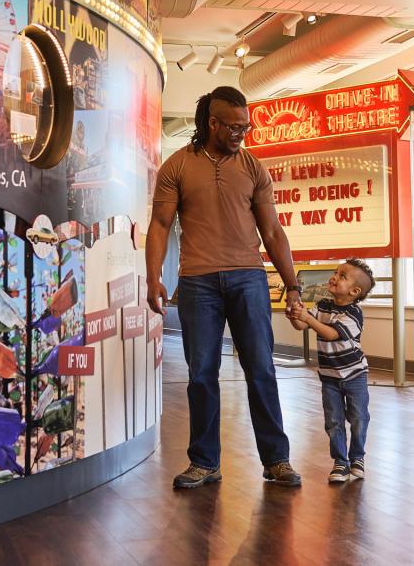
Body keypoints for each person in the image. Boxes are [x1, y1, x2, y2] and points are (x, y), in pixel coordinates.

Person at [146, 86, 306, 489]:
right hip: (198, 283)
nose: (241, 134)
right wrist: (153, 278)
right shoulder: (177, 166)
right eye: (233, 127)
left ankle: (277, 460)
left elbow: (272, 231)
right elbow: (160, 226)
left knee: (261, 370)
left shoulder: (253, 168)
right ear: (212, 124)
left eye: (245, 127)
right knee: (201, 373)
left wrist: (292, 285)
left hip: (248, 278)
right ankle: (204, 462)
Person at [285, 259, 375, 484]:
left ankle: (357, 457)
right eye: (336, 272)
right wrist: (296, 316)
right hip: (329, 377)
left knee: (358, 418)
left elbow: (331, 334)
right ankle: (340, 462)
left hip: (354, 376)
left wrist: (307, 318)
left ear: (355, 291)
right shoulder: (323, 305)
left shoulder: (354, 313)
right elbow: (303, 326)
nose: (334, 276)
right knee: (333, 420)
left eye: (342, 275)